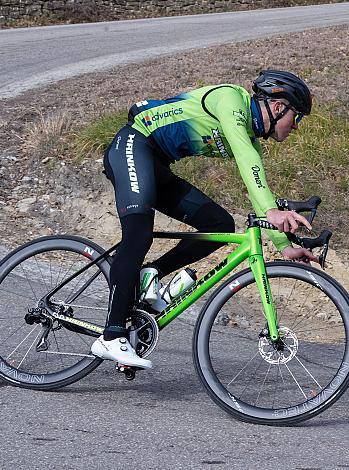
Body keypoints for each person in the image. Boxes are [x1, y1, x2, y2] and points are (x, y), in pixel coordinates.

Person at [91, 70, 318, 369]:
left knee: (219, 225)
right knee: (139, 234)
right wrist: (271, 212)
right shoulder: (230, 99)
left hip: (157, 165)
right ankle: (112, 335)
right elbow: (247, 161)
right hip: (133, 146)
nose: (296, 127)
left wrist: (283, 246)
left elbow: (256, 181)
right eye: (297, 118)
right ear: (278, 107)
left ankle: (151, 273)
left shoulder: (249, 137)